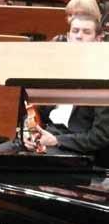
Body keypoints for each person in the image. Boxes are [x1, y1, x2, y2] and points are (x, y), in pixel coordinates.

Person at [21, 14, 109, 167]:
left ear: (98, 39)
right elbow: (34, 110)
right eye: (75, 31)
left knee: (22, 166)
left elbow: (100, 136)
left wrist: (57, 141)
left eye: (86, 32)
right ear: (68, 37)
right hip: (45, 138)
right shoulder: (58, 69)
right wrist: (28, 132)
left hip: (74, 149)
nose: (79, 36)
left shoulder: (104, 77)